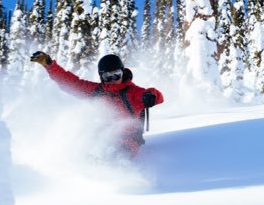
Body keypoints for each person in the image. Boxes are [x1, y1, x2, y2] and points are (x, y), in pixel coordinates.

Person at [30, 52, 164, 157]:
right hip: (102, 138)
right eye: (108, 77)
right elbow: (71, 83)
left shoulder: (132, 92)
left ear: (122, 72)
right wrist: (49, 65)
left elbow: (156, 96)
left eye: (116, 75)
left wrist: (151, 96)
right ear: (101, 77)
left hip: (128, 141)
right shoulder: (97, 91)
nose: (113, 80)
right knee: (79, 151)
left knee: (114, 156)